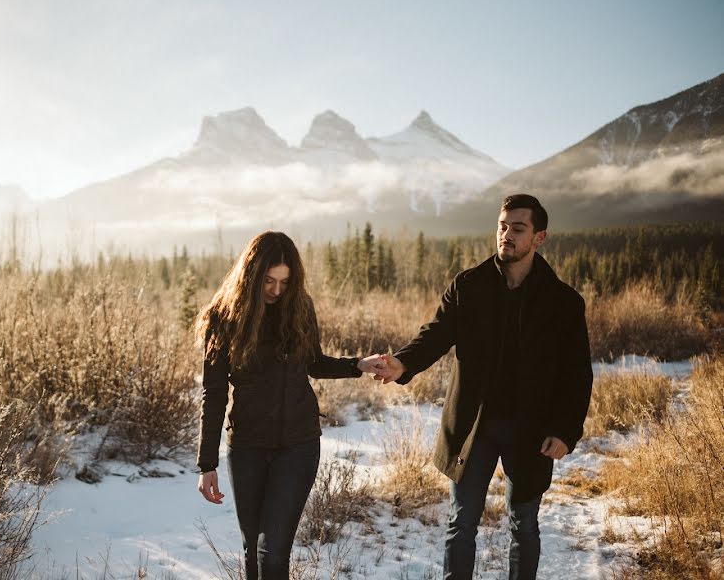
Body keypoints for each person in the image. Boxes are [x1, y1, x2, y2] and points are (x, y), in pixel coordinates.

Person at [364, 194, 593, 580]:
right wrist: (402, 364)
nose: (506, 235)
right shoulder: (469, 286)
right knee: (461, 522)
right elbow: (435, 335)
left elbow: (577, 374)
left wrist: (565, 430)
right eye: (502, 226)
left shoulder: (564, 302)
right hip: (473, 426)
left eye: (518, 229)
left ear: (539, 238)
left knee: (524, 525)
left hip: (531, 430)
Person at [195, 230, 380, 580]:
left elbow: (314, 362)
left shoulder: (299, 307)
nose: (277, 290)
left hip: (298, 443)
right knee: (252, 549)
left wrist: (357, 365)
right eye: (268, 281)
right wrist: (207, 464)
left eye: (284, 282)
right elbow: (214, 393)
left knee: (273, 551)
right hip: (248, 446)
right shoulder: (222, 318)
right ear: (250, 274)